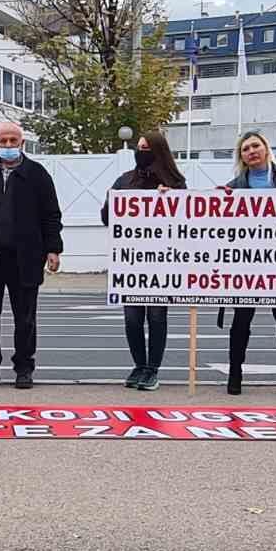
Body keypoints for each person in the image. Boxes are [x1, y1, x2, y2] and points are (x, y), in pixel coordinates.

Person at [218, 129, 276, 397]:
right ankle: (235, 375)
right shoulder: (235, 187)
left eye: (255, 146)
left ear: (265, 148)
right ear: (242, 157)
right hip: (248, 264)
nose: (251, 151)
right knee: (241, 321)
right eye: (246, 149)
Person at [0, 120, 62, 390]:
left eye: (14, 141)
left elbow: (51, 214)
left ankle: (24, 368)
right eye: (4, 141)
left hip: (25, 258)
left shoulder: (37, 174)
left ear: (22, 143)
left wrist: (53, 249)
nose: (9, 146)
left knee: (25, 318)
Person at [101, 131, 187, 391]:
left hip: (162, 262)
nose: (141, 152)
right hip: (130, 263)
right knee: (132, 319)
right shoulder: (124, 180)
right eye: (139, 147)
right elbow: (107, 218)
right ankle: (139, 365)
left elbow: (187, 220)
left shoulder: (176, 183)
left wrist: (169, 198)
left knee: (157, 317)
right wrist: (112, 201)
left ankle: (153, 369)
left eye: (147, 148)